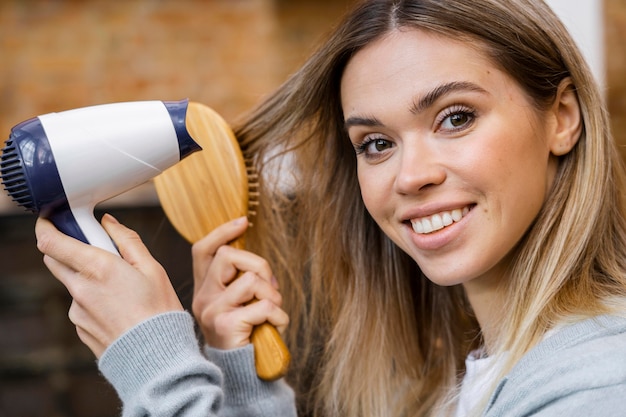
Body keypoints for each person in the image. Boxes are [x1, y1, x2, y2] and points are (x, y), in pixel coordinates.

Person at [34, 0, 626, 416]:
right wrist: (239, 380)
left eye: (456, 117)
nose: (411, 176)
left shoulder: (597, 386)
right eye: (376, 144)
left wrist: (154, 366)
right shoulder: (461, 386)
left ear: (563, 118)